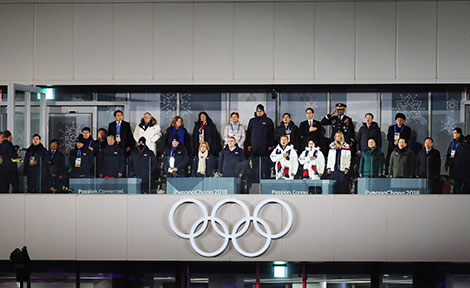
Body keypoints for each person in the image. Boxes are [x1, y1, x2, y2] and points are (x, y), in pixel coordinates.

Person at [246, 104, 275, 180]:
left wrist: (270, 145)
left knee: (265, 166)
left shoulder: (268, 121)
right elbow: (248, 133)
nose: (259, 112)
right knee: (255, 166)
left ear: (263, 111)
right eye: (257, 111)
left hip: (265, 149)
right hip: (254, 148)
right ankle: (256, 181)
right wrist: (248, 144)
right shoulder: (252, 121)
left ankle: (265, 180)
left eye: (260, 111)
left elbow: (272, 134)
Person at [445, 127, 464, 193]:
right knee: (453, 182)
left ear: (459, 134)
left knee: (459, 184)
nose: (454, 135)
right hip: (452, 165)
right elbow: (449, 153)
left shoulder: (462, 143)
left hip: (460, 167)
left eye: (455, 133)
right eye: (453, 133)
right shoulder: (452, 143)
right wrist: (447, 163)